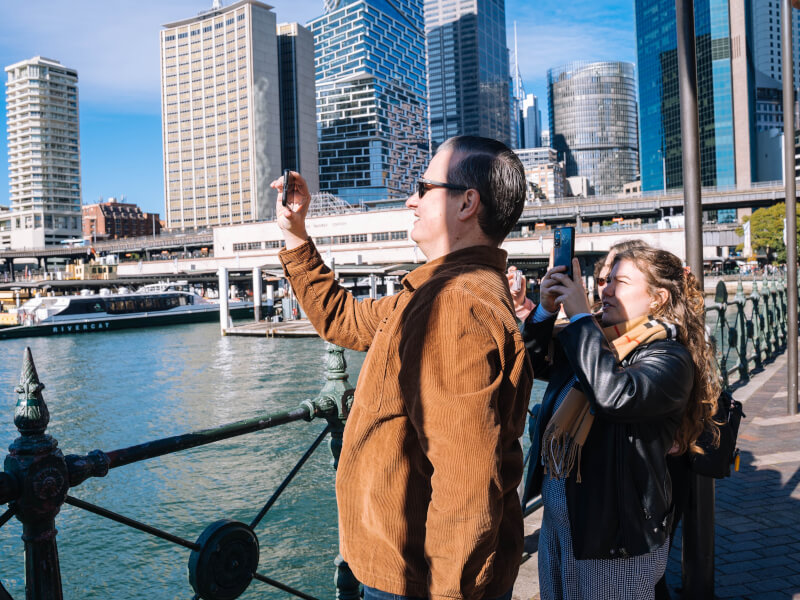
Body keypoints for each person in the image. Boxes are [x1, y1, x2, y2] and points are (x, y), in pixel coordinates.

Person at [273, 136, 533, 600]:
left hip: (416, 580)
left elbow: (466, 484)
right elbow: (344, 319)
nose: (411, 199)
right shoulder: (439, 293)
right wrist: (297, 235)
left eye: (423, 186)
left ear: (467, 202)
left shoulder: (455, 307)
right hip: (407, 568)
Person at [518, 246, 719, 600]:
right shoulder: (599, 340)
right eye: (606, 280)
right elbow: (532, 365)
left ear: (658, 298)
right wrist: (546, 309)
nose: (605, 289)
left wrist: (580, 319)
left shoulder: (670, 357)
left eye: (620, 282)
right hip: (564, 520)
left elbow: (615, 395)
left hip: (614, 537)